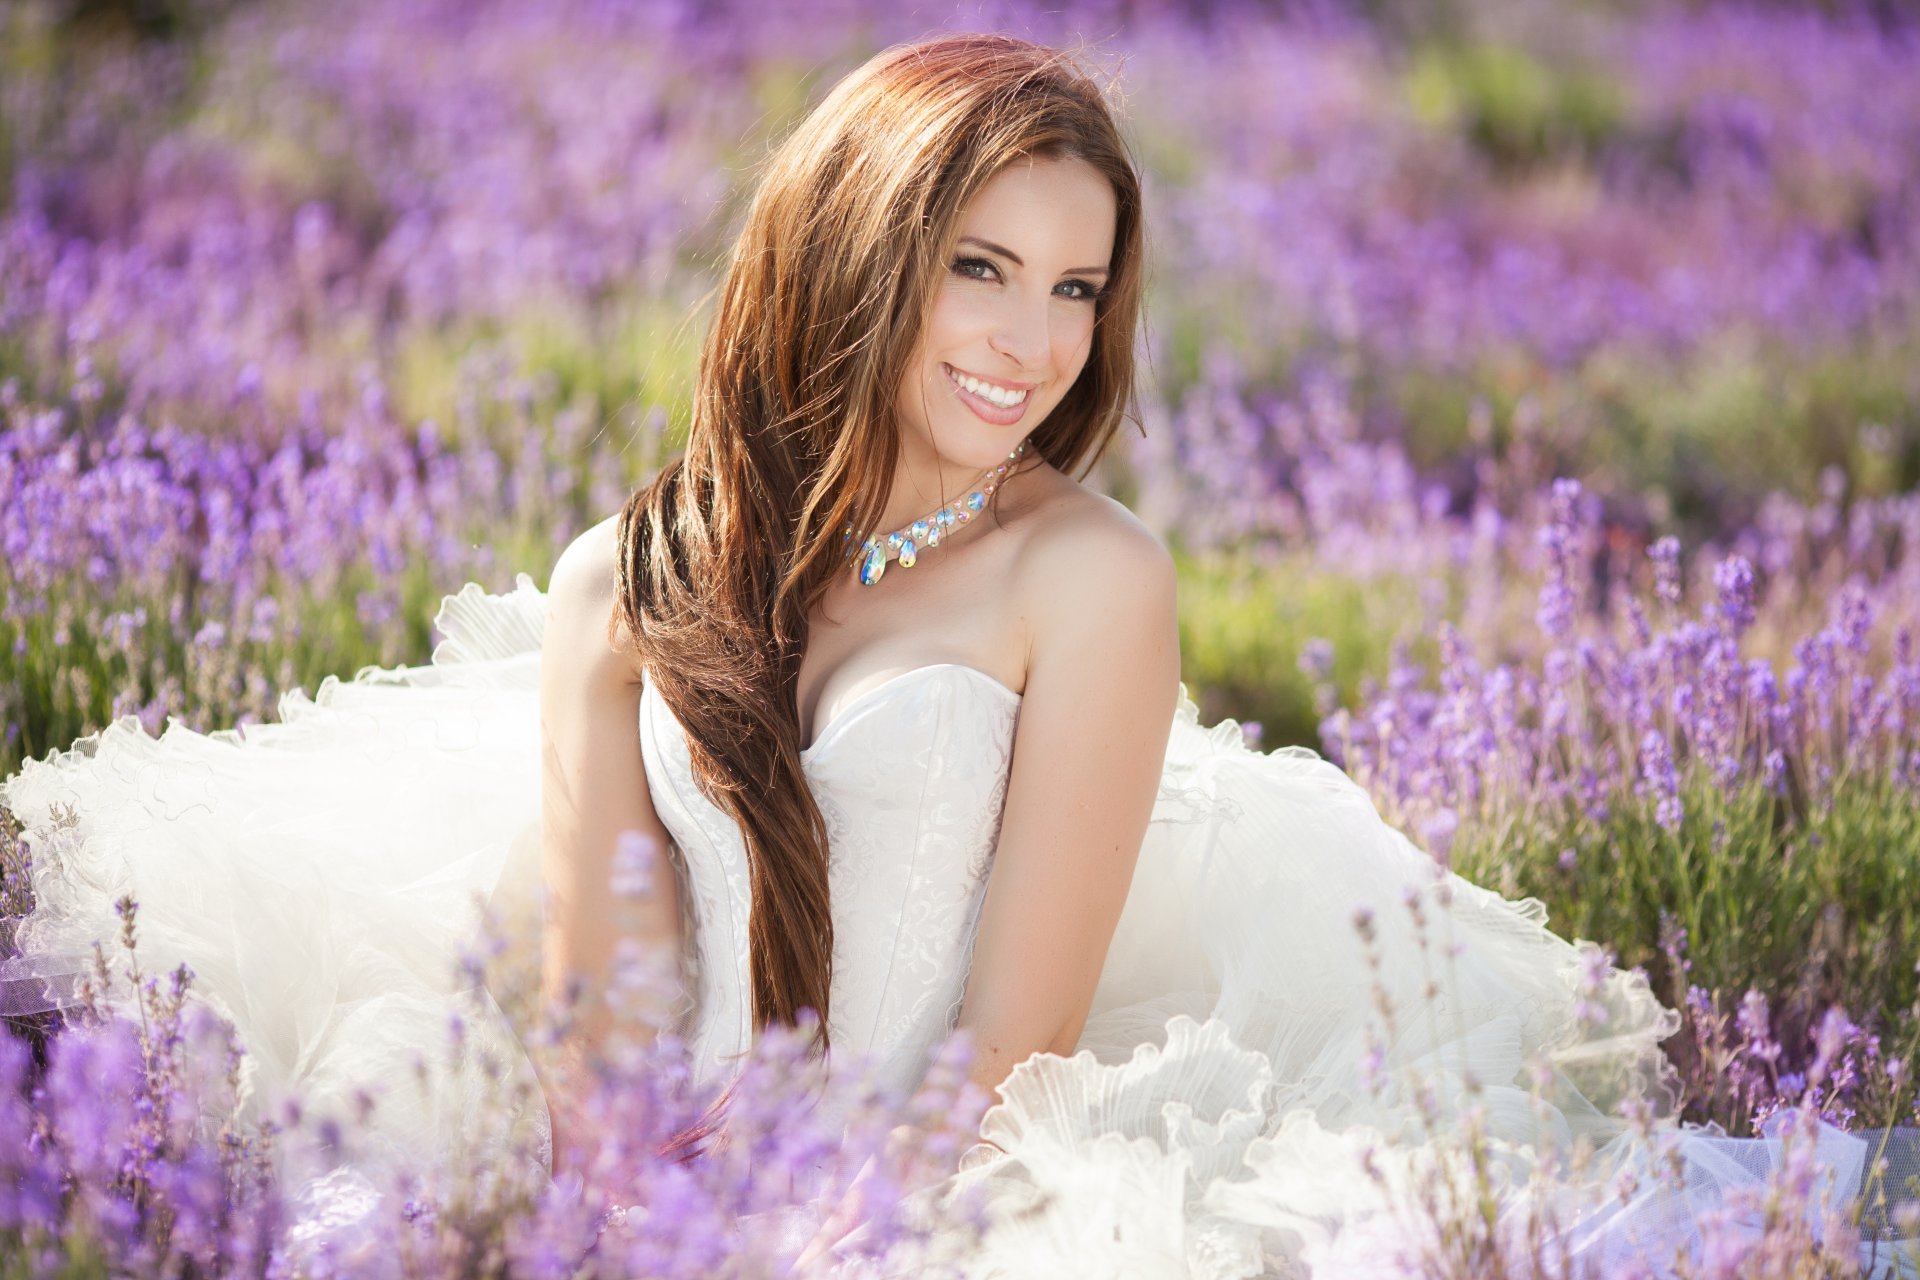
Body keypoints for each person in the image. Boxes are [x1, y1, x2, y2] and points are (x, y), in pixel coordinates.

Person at [3, 30, 1914, 1279]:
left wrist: (836, 1219)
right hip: (670, 1177)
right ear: (857, 248)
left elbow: (1016, 1052)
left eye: (1077, 286)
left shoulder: (1085, 579)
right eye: (981, 268)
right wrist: (635, 1206)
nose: (1037, 340)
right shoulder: (626, 571)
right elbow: (599, 1012)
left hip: (944, 1185)